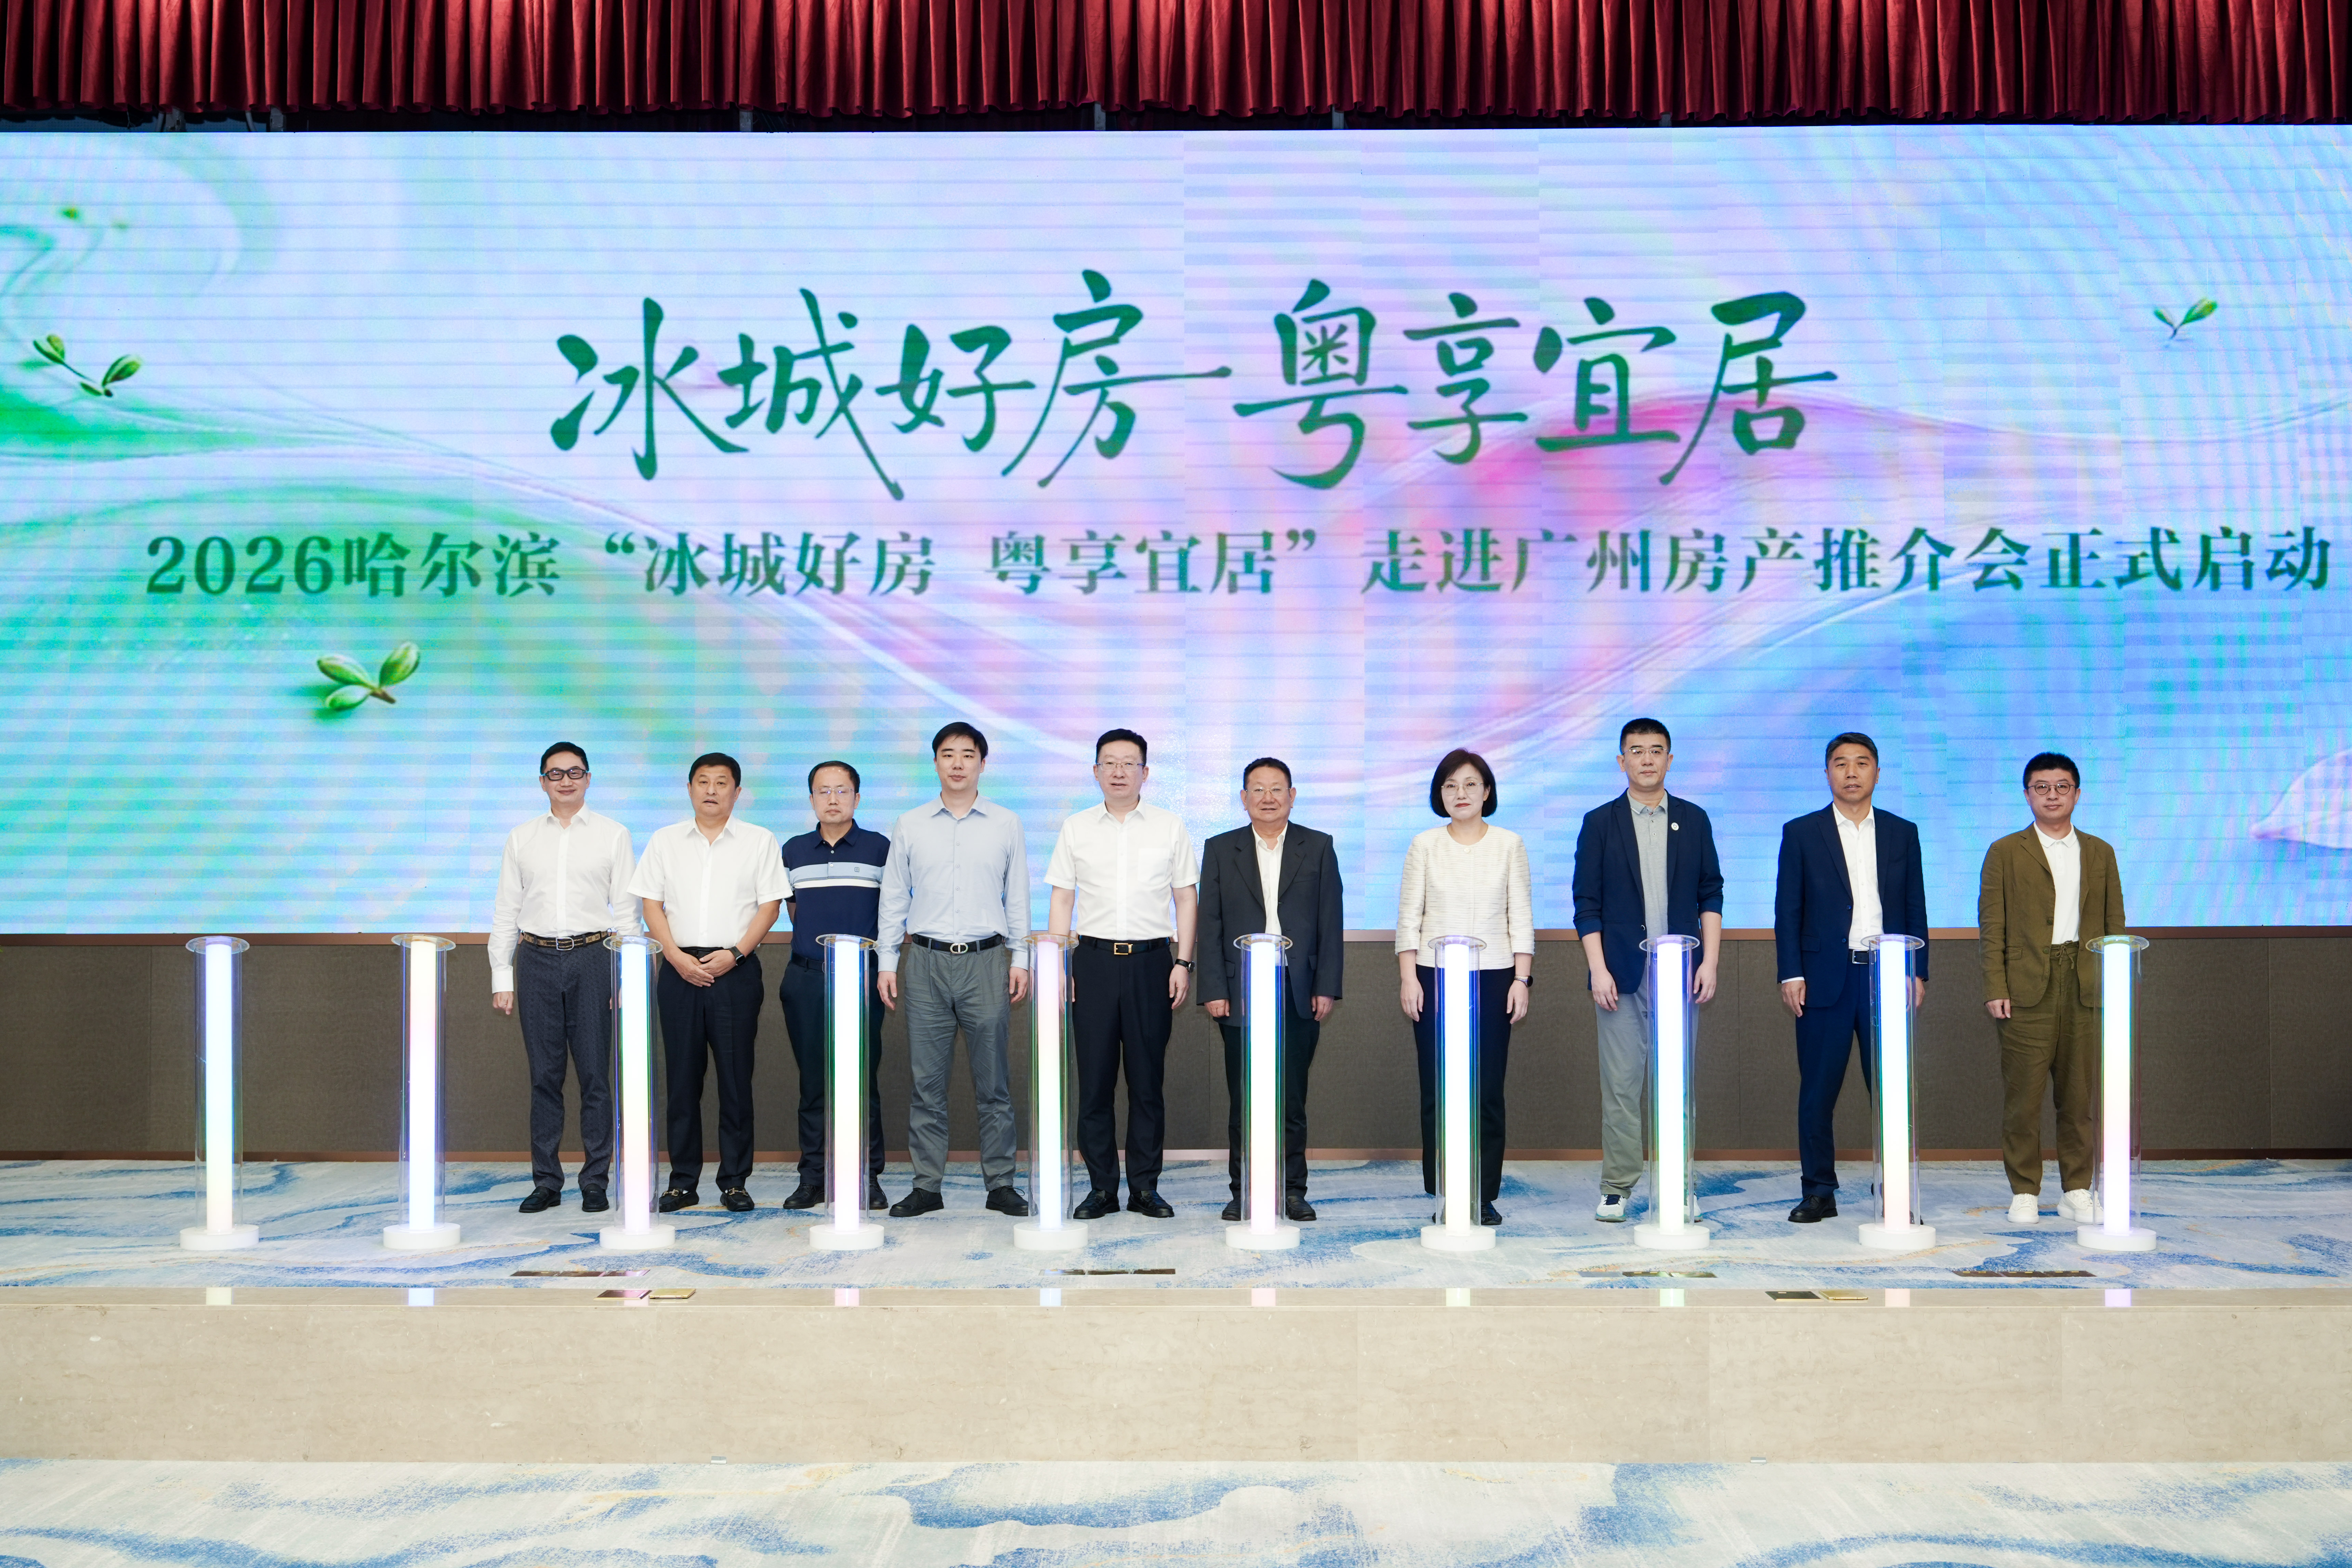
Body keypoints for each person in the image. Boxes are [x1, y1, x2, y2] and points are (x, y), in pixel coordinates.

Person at [875, 722, 1033, 1218]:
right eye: (948, 754)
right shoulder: (910, 823)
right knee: (927, 1085)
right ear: (936, 762)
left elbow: (1018, 895)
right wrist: (887, 960)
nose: (958, 763)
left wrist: (1021, 958)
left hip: (987, 961)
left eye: (968, 754)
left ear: (983, 763)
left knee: (994, 1085)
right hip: (924, 962)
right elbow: (894, 896)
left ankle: (1001, 1184)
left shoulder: (1006, 823)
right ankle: (927, 1185)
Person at [1570, 719, 1724, 1224]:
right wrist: (1597, 970)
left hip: (1680, 973)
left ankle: (1679, 1185)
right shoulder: (1600, 822)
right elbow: (1586, 903)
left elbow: (1711, 893)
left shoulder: (1694, 819)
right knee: (1620, 1087)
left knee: (1677, 1086)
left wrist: (1709, 961)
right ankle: (1617, 1186)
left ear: (1670, 760)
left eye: (1656, 750)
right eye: (1636, 751)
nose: (1647, 759)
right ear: (1622, 761)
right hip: (1620, 975)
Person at [1773, 731, 1930, 1223]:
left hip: (1887, 974)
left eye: (1862, 763)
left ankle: (1895, 1188)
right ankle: (1819, 1190)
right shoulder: (1802, 832)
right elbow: (1788, 909)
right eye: (1840, 763)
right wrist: (1791, 972)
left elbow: (1914, 905)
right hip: (1824, 978)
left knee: (1890, 1090)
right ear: (1827, 773)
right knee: (1817, 1092)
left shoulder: (1902, 832)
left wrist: (1917, 970)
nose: (1851, 772)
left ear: (1877, 773)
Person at [1045, 728, 1198, 1220]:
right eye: (1109, 763)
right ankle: (1101, 1189)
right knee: (1094, 1084)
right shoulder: (1076, 828)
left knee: (1147, 1083)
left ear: (1144, 773)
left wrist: (1183, 962)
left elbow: (1185, 898)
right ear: (1095, 772)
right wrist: (1060, 964)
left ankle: (1145, 1188)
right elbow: (1062, 899)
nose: (1118, 771)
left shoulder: (1169, 826)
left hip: (1152, 963)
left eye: (1129, 763)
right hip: (1090, 963)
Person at [629, 753, 787, 1214]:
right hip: (679, 968)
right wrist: (675, 957)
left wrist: (735, 955)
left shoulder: (759, 840)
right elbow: (651, 904)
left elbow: (770, 907)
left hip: (735, 969)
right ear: (690, 788)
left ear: (737, 792)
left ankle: (735, 1181)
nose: (712, 790)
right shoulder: (665, 840)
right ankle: (682, 1183)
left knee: (736, 1080)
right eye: (703, 781)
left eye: (722, 782)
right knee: (681, 1080)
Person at [487, 742, 638, 1214]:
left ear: (588, 779)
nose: (566, 781)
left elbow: (627, 912)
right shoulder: (522, 838)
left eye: (575, 772)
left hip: (594, 956)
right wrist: (501, 974)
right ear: (542, 782)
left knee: (595, 1076)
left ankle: (595, 1180)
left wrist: (627, 974)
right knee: (544, 1078)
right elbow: (506, 909)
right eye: (556, 773)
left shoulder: (613, 835)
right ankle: (547, 1182)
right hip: (535, 959)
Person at [1980, 751, 2127, 1226]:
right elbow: (1992, 927)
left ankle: (2077, 1189)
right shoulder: (2005, 851)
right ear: (2027, 795)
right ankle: (2024, 1190)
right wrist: (1995, 984)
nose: (2052, 796)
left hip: (2084, 982)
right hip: (2026, 986)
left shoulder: (2100, 852)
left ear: (2077, 794)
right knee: (2023, 1099)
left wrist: (2113, 985)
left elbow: (2115, 924)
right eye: (2041, 787)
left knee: (2078, 1098)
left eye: (2062, 787)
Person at [1195, 757, 1344, 1223]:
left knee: (1291, 1098)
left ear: (1292, 796)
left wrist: (1326, 987)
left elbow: (1330, 922)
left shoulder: (1318, 846)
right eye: (1257, 789)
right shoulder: (1221, 848)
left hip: (1297, 988)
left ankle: (1293, 1190)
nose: (1267, 797)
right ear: (1244, 799)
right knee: (1245, 1099)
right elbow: (1209, 923)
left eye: (1276, 789)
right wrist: (1213, 988)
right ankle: (1244, 1190)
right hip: (1240, 989)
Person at [1396, 748, 1533, 1226]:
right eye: (1451, 785)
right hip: (1434, 975)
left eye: (1471, 784)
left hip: (1494, 976)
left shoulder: (1510, 844)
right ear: (1440, 794)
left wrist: (1521, 979)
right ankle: (1446, 1192)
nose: (1461, 793)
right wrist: (1408, 977)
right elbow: (1409, 917)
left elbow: (1521, 917)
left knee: (1486, 1090)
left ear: (1487, 791)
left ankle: (1483, 1193)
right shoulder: (1424, 845)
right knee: (1439, 1088)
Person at [777, 760, 892, 1213]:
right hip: (807, 977)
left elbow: (892, 912)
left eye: (842, 791)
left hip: (861, 978)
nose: (832, 799)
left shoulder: (880, 848)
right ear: (811, 799)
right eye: (823, 791)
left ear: (857, 798)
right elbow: (795, 912)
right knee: (813, 1083)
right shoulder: (793, 850)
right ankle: (814, 1177)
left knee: (861, 1081)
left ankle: (867, 1176)